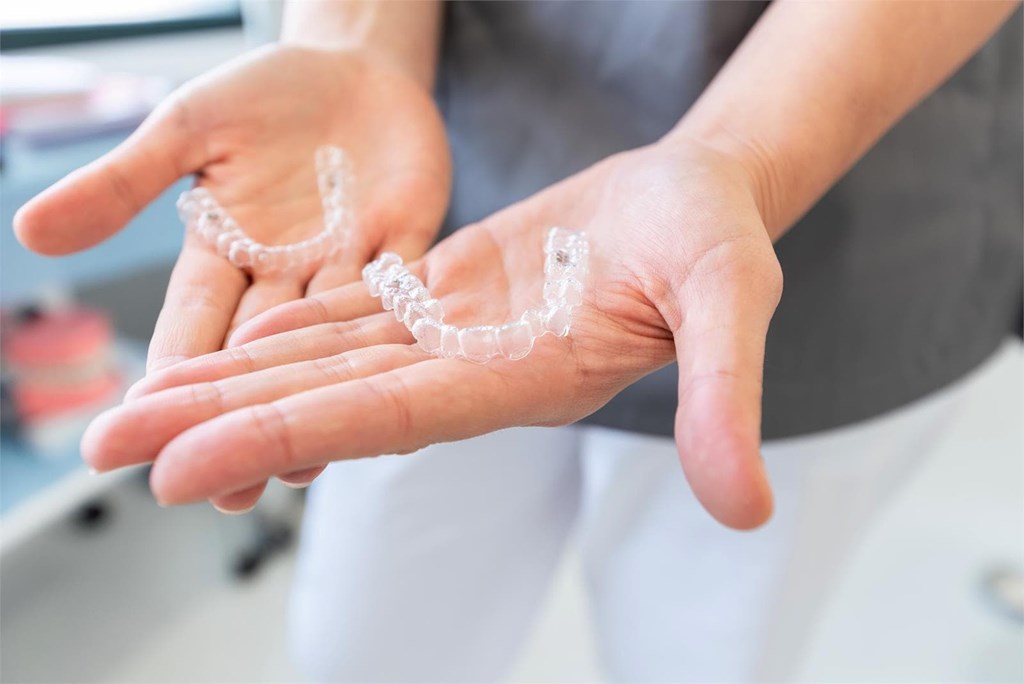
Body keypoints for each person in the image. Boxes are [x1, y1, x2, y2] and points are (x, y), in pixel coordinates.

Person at [15, 1, 1022, 681]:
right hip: (441, 206)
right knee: (367, 648)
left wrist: (740, 158)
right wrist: (358, 43)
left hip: (836, 205)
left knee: (706, 652)